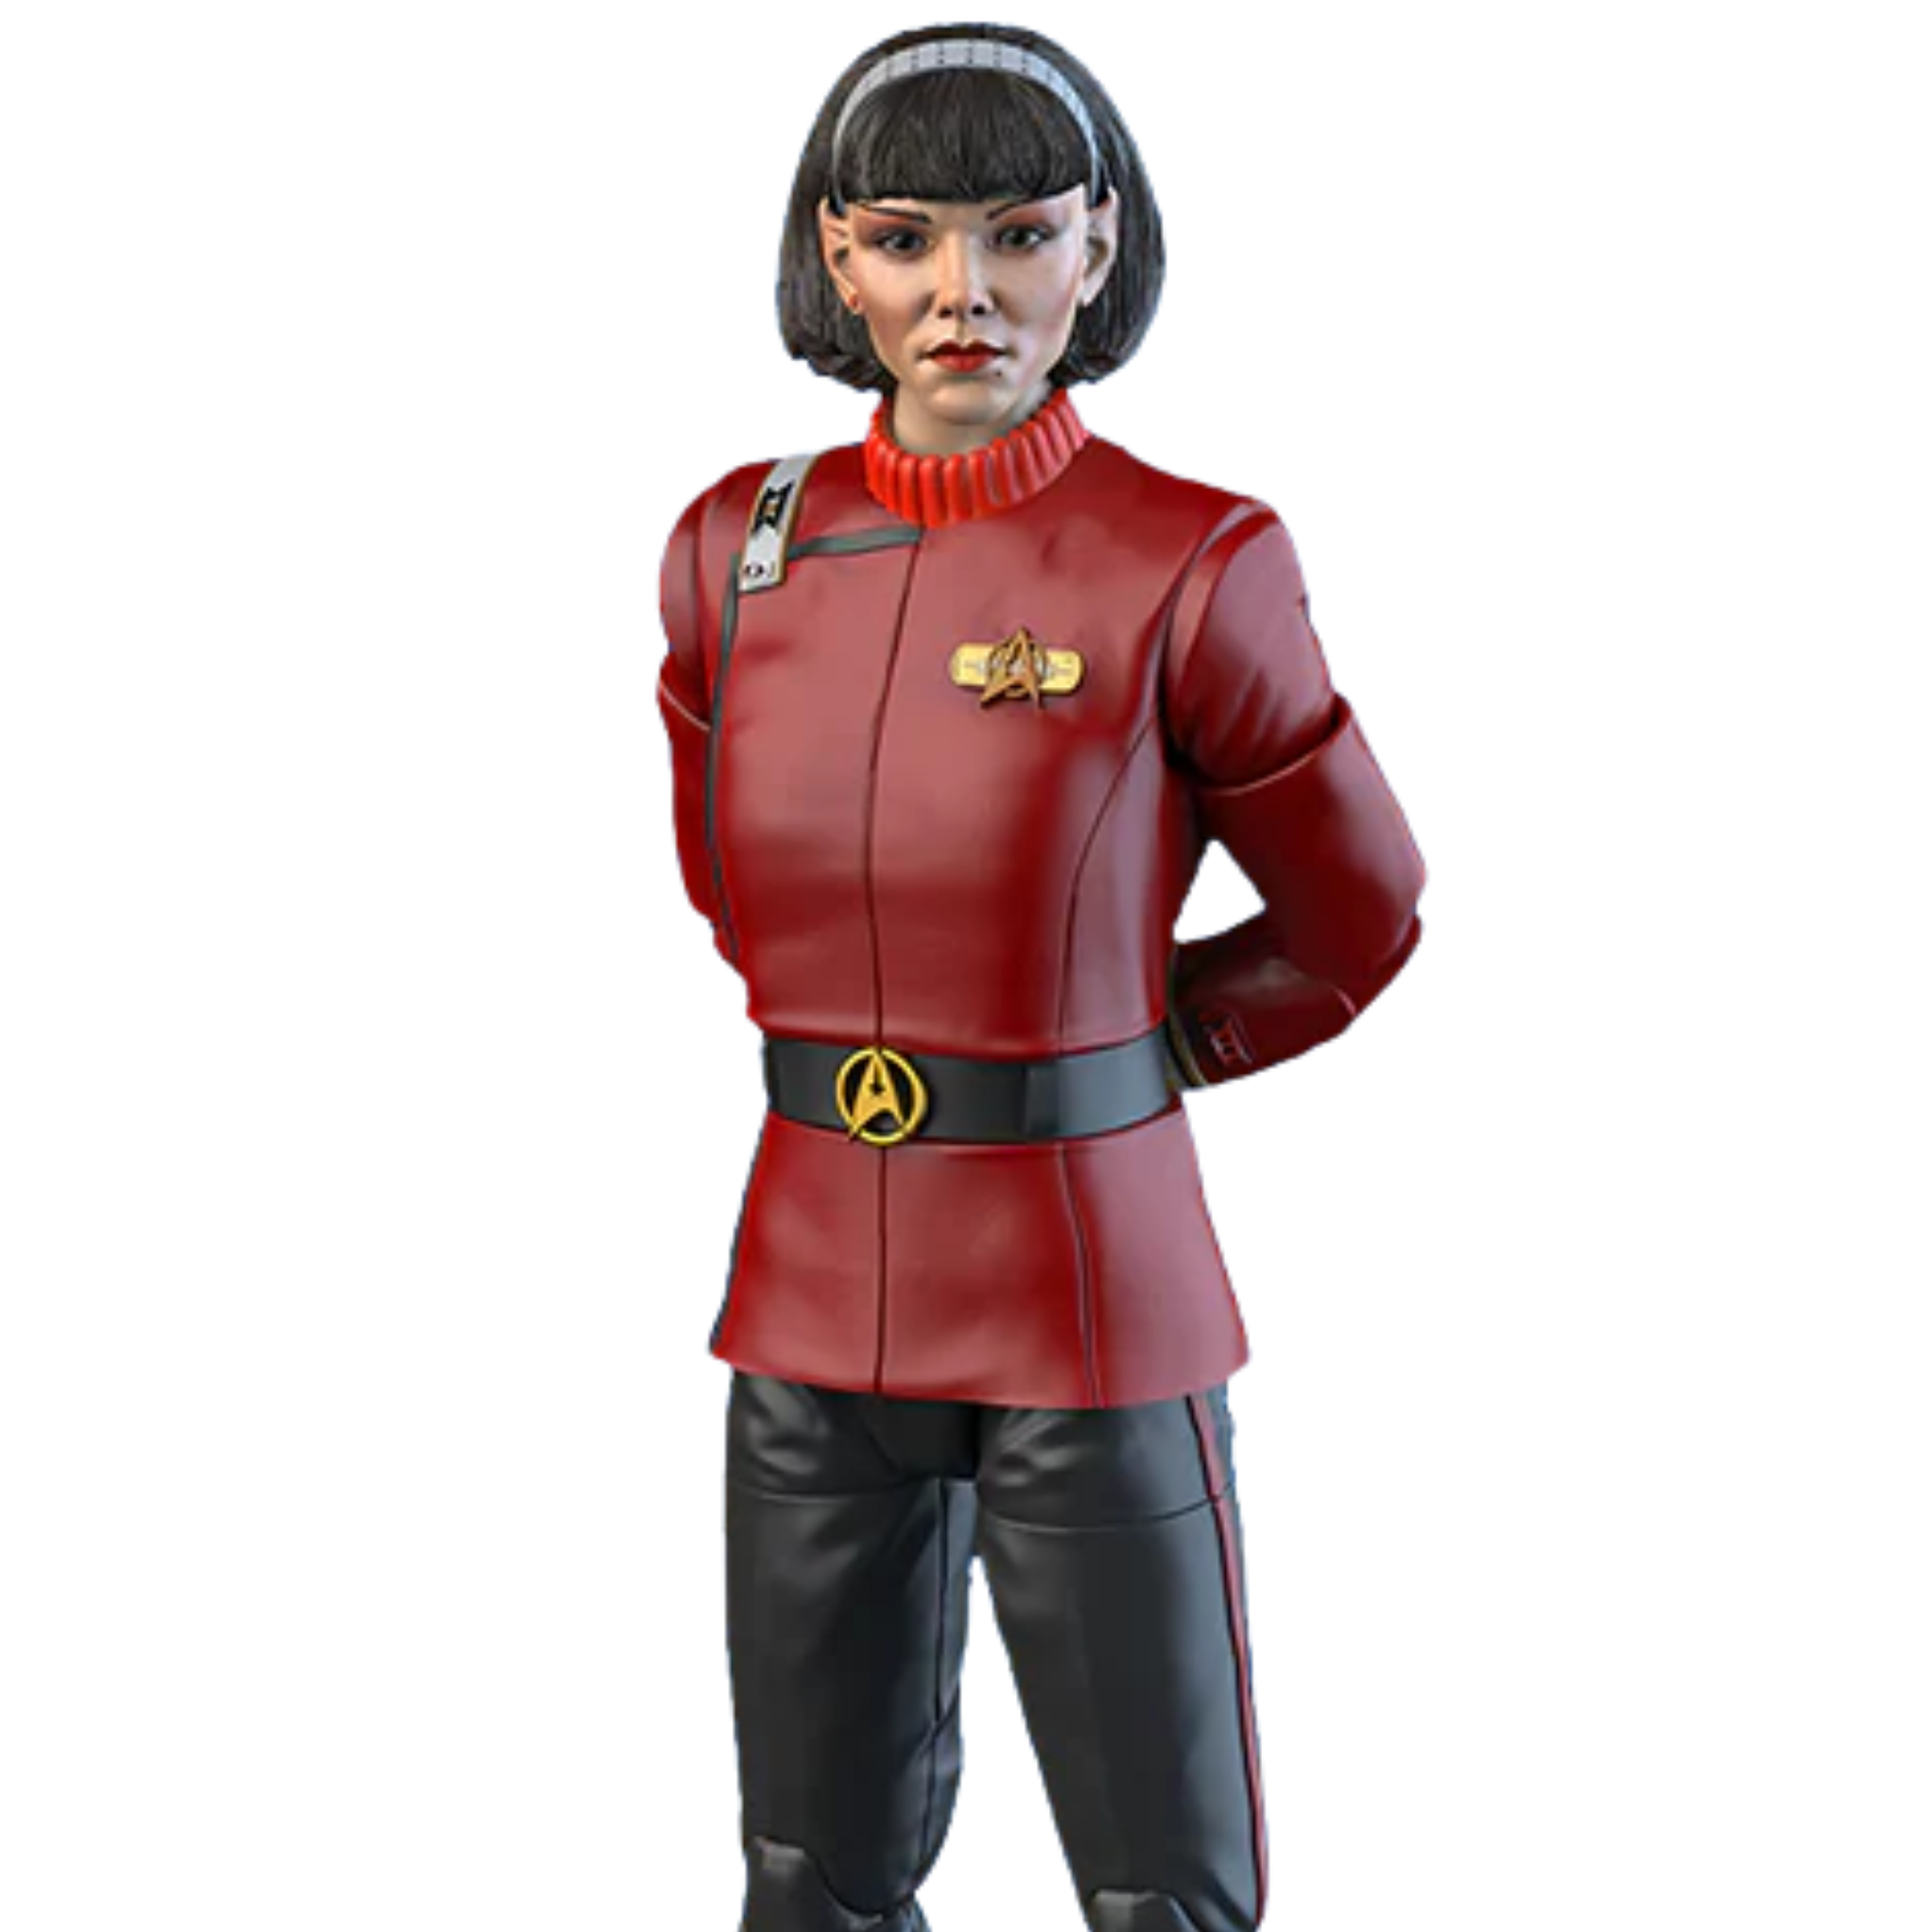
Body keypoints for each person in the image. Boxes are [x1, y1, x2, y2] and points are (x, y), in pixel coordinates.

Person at [654, 25, 1425, 1932]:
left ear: (1098, 247)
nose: (962, 292)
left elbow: (1360, 914)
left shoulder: (1193, 557)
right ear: (836, 259)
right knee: (804, 1880)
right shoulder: (733, 548)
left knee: (1161, 1892)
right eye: (904, 238)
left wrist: (1135, 1051)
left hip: (1089, 1293)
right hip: (810, 1287)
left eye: (1016, 234)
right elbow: (732, 893)